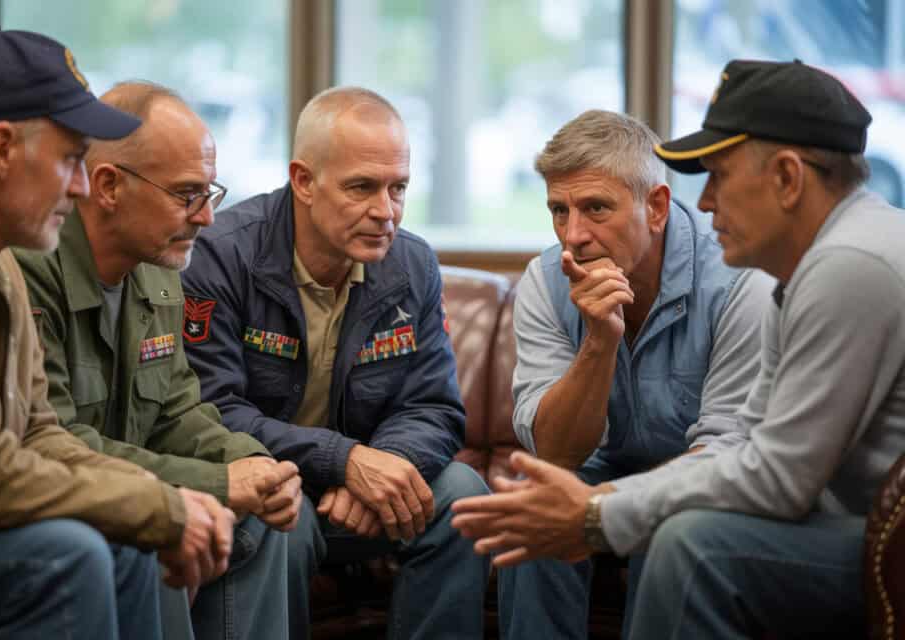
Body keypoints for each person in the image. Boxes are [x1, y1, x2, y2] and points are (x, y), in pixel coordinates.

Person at [453, 59, 905, 639]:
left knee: (687, 542)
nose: (708, 200)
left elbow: (773, 476)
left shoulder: (845, 265)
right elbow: (753, 442)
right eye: (558, 212)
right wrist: (599, 346)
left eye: (718, 175)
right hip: (850, 526)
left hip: (881, 541)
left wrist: (598, 513)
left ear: (788, 178)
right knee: (580, 513)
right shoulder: (817, 264)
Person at [0, 27, 233, 640]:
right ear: (2, 149)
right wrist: (158, 509)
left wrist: (159, 502)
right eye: (71, 159)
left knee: (124, 545)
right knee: (69, 555)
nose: (79, 185)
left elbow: (37, 430)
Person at [180, 86, 490, 639]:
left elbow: (434, 406)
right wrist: (342, 461)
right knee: (279, 518)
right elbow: (210, 412)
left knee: (463, 494)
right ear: (303, 180)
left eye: (399, 189)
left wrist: (381, 469)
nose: (385, 211)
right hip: (270, 484)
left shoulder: (412, 264)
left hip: (361, 488)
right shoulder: (220, 255)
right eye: (361, 188)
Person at [14, 81, 302, 640]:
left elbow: (176, 411)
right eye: (186, 194)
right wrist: (218, 483)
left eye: (209, 192)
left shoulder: (161, 267)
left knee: (265, 517)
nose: (207, 218)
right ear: (108, 186)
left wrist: (255, 463)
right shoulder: (30, 267)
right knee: (145, 530)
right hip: (60, 501)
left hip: (129, 486)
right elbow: (56, 440)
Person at [495, 109, 773, 639]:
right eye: (559, 210)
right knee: (531, 515)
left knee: (668, 529)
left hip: (702, 477)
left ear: (657, 206)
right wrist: (600, 341)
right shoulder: (544, 282)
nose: (573, 236)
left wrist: (620, 509)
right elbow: (554, 452)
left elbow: (728, 447)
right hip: (594, 467)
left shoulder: (741, 282)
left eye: (596, 208)